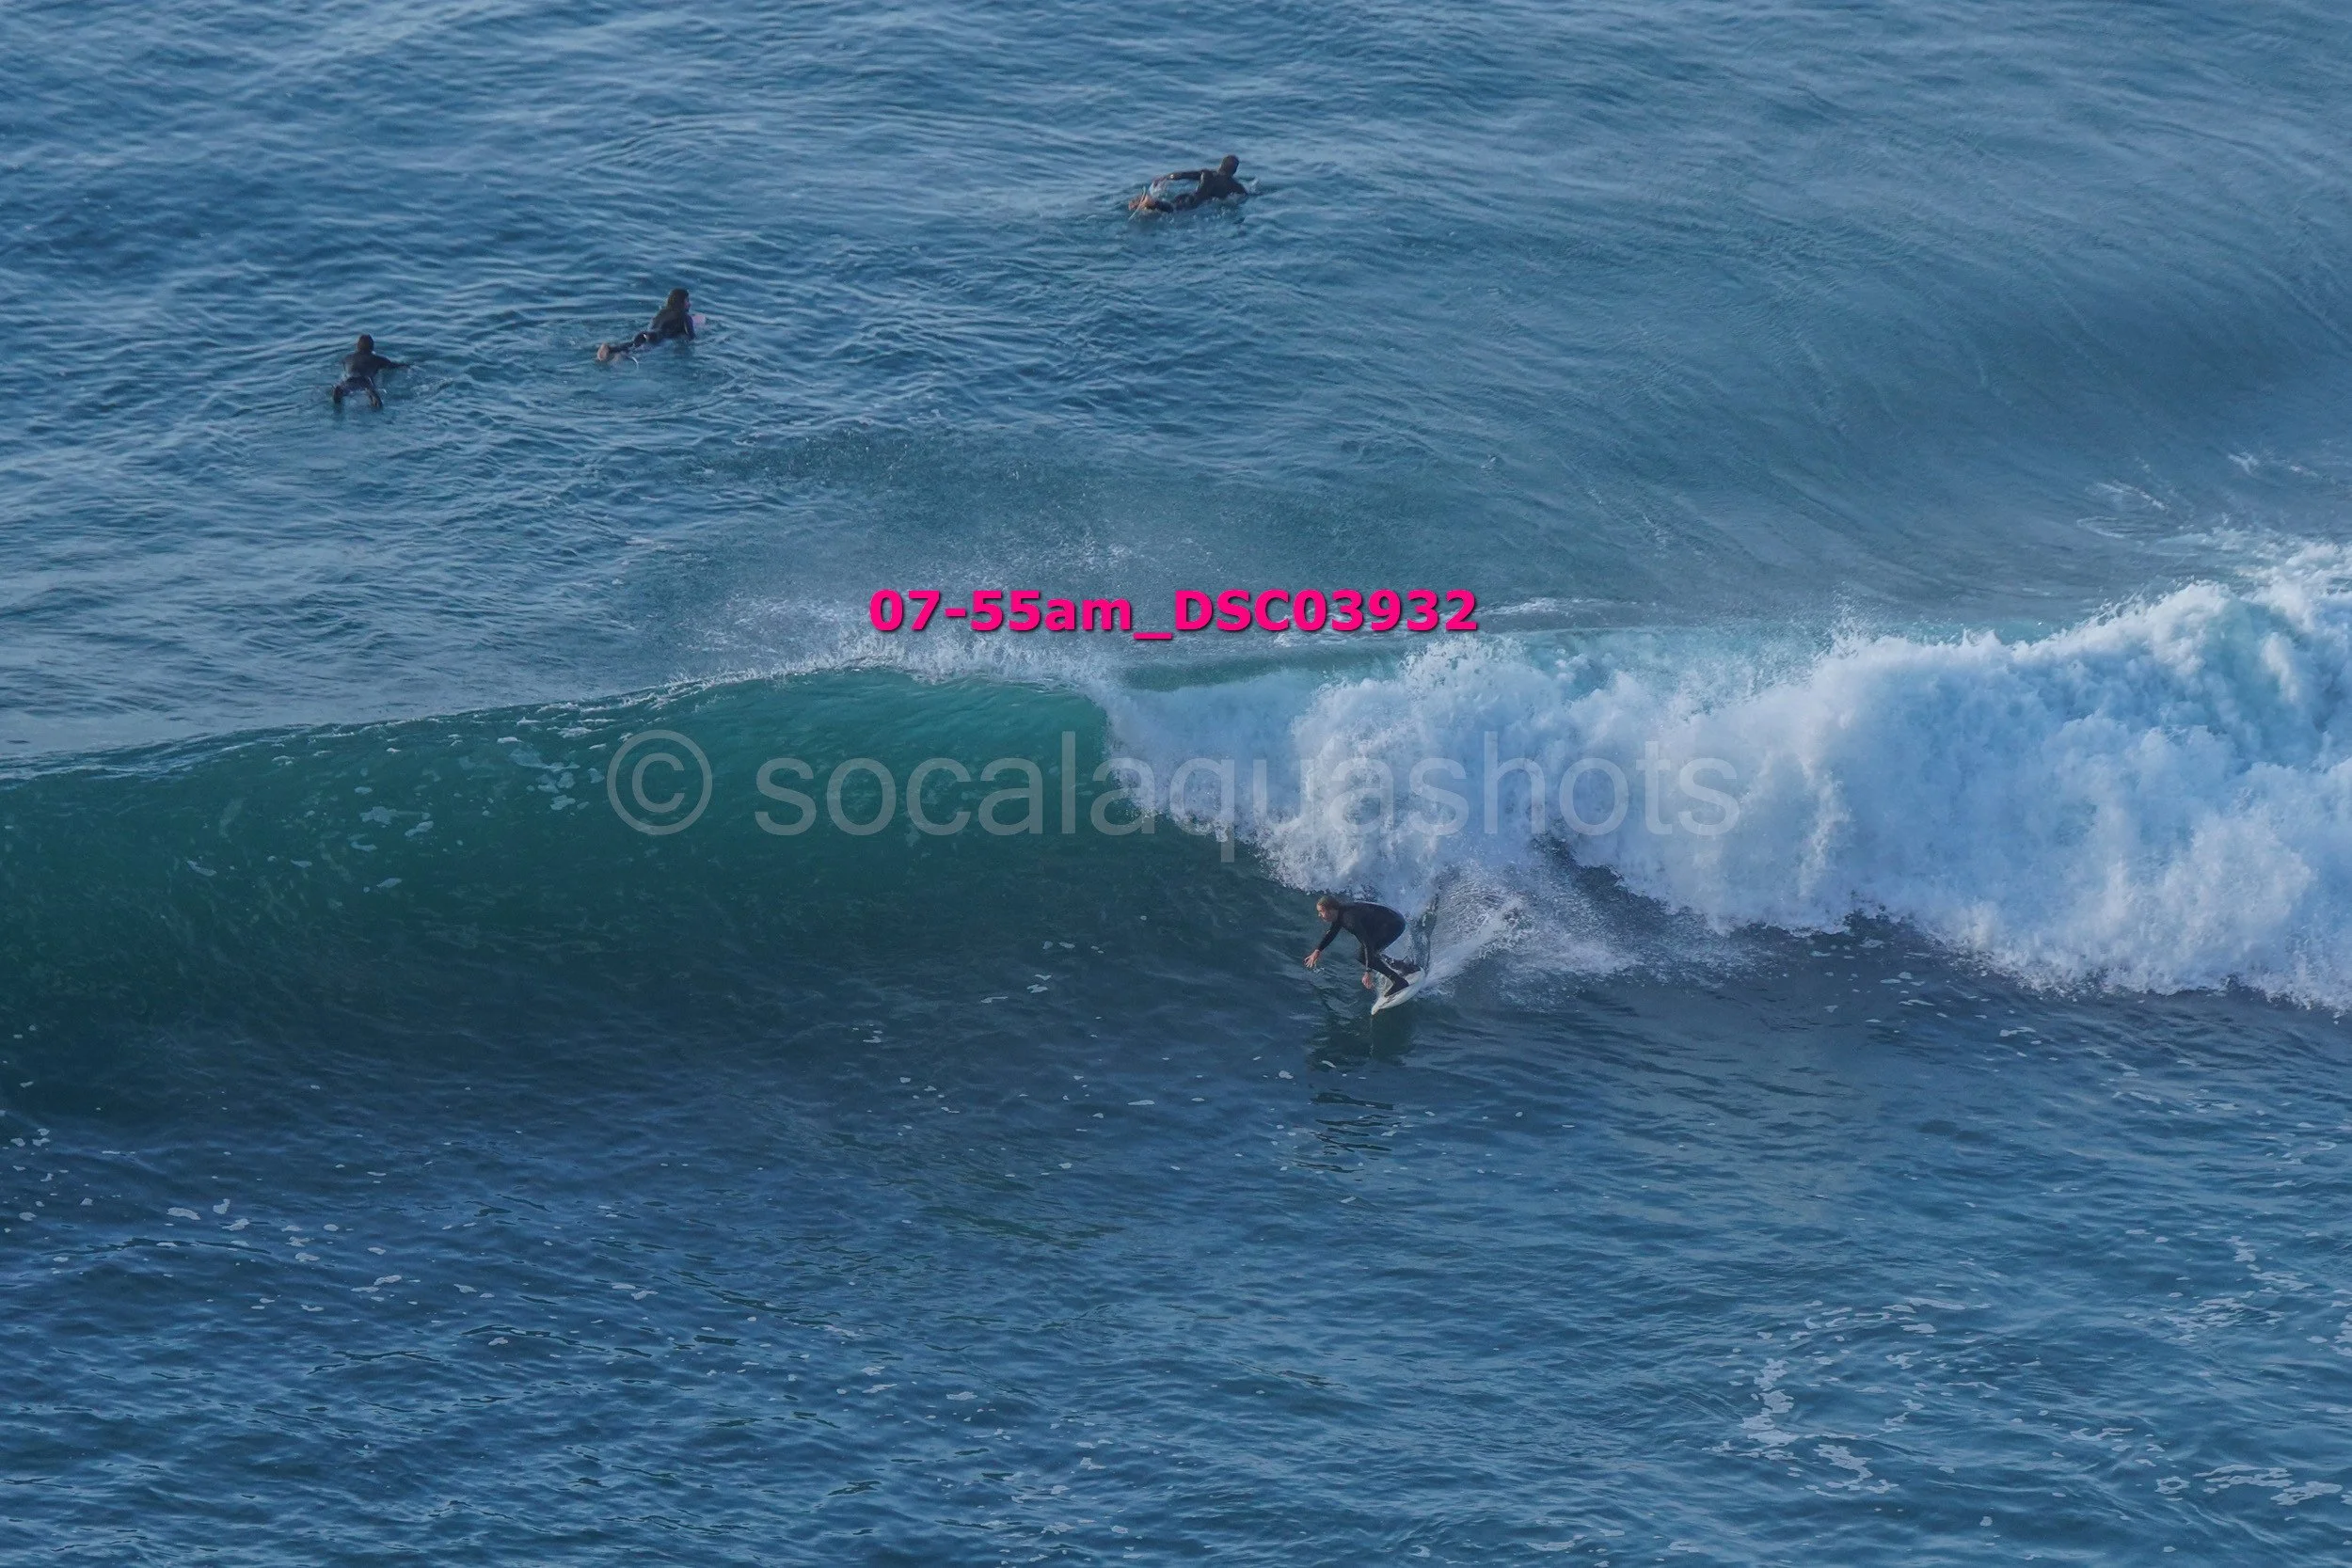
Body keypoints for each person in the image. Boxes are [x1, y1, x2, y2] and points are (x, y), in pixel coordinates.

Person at [1303, 894, 1421, 999]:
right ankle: (1403, 966)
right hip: (1392, 919)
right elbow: (1332, 932)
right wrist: (1318, 950)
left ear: (1331, 910)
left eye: (1321, 911)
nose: (1320, 915)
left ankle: (1398, 981)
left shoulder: (1349, 920)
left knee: (1363, 956)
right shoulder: (1340, 913)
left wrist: (1368, 971)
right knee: (1369, 952)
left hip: (1393, 925)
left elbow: (1367, 944)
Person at [598, 288, 695, 361]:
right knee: (637, 352)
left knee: (633, 345)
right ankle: (618, 355)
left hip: (646, 333)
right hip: (657, 337)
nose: (689, 304)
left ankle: (611, 349)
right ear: (681, 302)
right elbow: (691, 337)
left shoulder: (661, 312)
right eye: (687, 300)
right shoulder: (685, 316)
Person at [1130, 154, 1248, 214]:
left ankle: (1147, 203)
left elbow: (1183, 175)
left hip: (1188, 196)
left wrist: (1165, 177)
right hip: (1197, 204)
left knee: (1171, 204)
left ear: (1220, 165)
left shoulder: (1207, 173)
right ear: (1234, 171)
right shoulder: (1235, 186)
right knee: (1173, 209)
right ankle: (1151, 202)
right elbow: (1247, 196)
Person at [330, 334, 406, 408]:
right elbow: (393, 366)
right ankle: (372, 395)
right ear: (372, 347)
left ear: (357, 347)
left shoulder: (347, 358)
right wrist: (407, 365)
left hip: (349, 380)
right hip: (365, 381)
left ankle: (340, 391)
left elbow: (339, 364)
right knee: (370, 390)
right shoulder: (377, 359)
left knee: (346, 389)